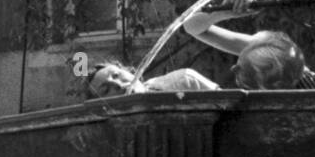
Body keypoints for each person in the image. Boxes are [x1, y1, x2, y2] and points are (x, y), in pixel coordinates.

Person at [183, 0, 315, 89]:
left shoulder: (309, 90)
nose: (233, 68)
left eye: (243, 72)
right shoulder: (268, 52)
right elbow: (190, 26)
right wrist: (222, 12)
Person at [86, 61, 217, 99]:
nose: (118, 85)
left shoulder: (185, 80)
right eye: (105, 90)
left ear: (132, 72)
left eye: (116, 75)